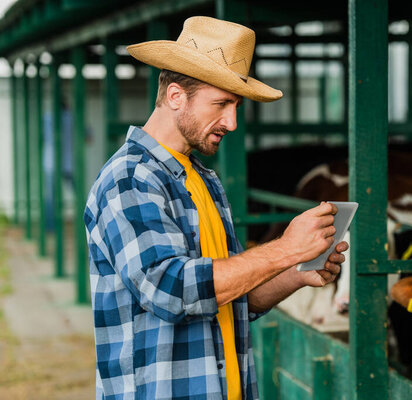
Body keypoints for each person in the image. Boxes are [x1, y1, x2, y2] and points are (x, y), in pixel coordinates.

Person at [84, 16, 348, 400]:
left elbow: (232, 295)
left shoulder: (203, 179)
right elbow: (170, 288)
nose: (232, 122)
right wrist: (285, 248)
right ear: (176, 96)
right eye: (222, 104)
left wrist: (295, 272)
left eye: (236, 105)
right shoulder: (130, 179)